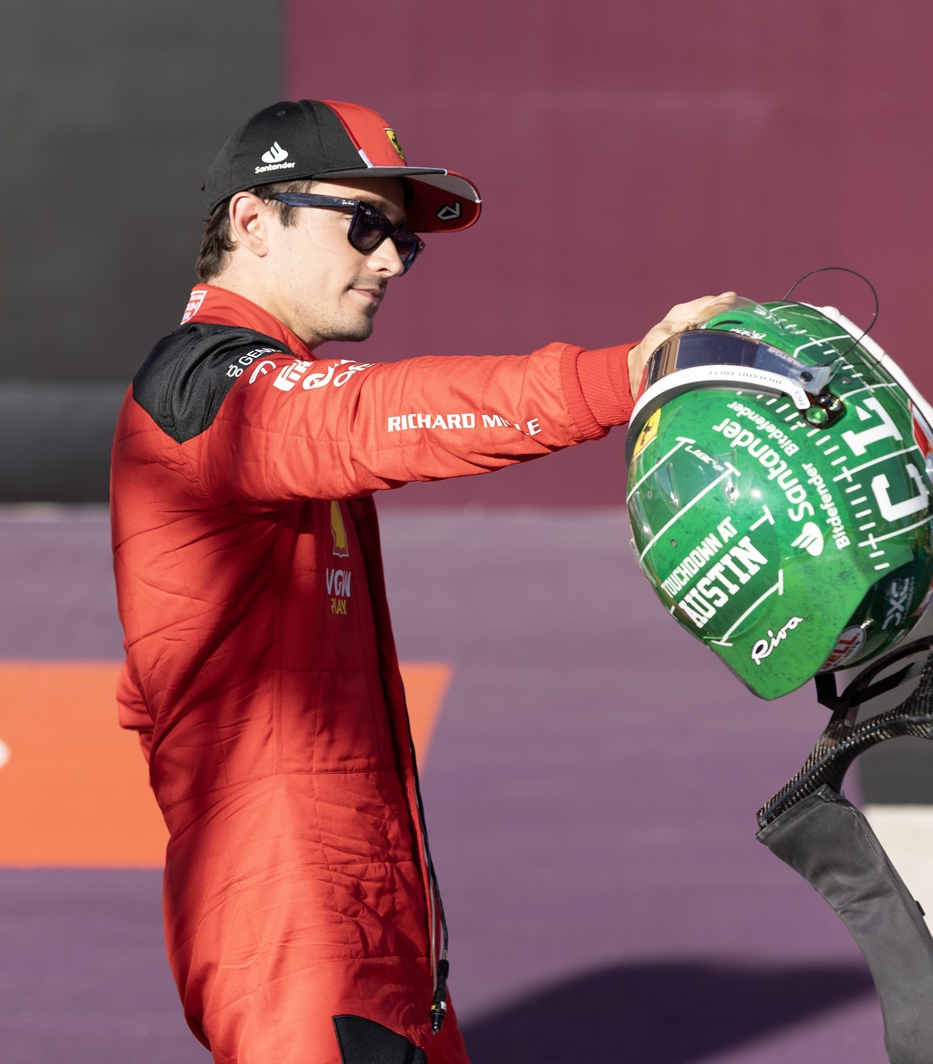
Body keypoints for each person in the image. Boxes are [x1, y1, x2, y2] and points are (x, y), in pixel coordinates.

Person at [110, 98, 735, 1064]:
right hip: (292, 925)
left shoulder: (242, 399)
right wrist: (631, 373)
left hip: (364, 917)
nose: (393, 258)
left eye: (404, 238)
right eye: (364, 224)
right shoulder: (207, 386)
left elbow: (159, 688)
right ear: (251, 221)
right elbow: (379, 417)